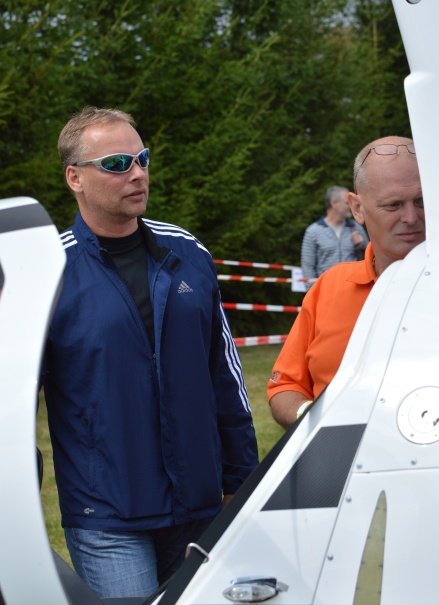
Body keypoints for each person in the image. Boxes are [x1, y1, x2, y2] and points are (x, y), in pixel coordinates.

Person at [42, 107, 259, 599]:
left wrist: (242, 480)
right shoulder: (51, 271)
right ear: (75, 178)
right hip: (107, 517)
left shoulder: (187, 253)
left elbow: (225, 376)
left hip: (200, 506)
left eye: (142, 158)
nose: (138, 173)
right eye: (117, 164)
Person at [268, 136, 424, 429]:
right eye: (393, 205)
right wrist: (314, 418)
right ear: (357, 208)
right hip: (337, 455)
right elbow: (285, 386)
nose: (411, 217)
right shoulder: (328, 287)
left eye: (422, 201)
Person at [300, 185, 369, 288]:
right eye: (347, 203)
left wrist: (363, 245)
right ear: (334, 203)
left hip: (354, 290)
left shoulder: (356, 228)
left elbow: (372, 257)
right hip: (326, 291)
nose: (350, 206)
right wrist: (313, 293)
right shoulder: (313, 231)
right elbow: (307, 268)